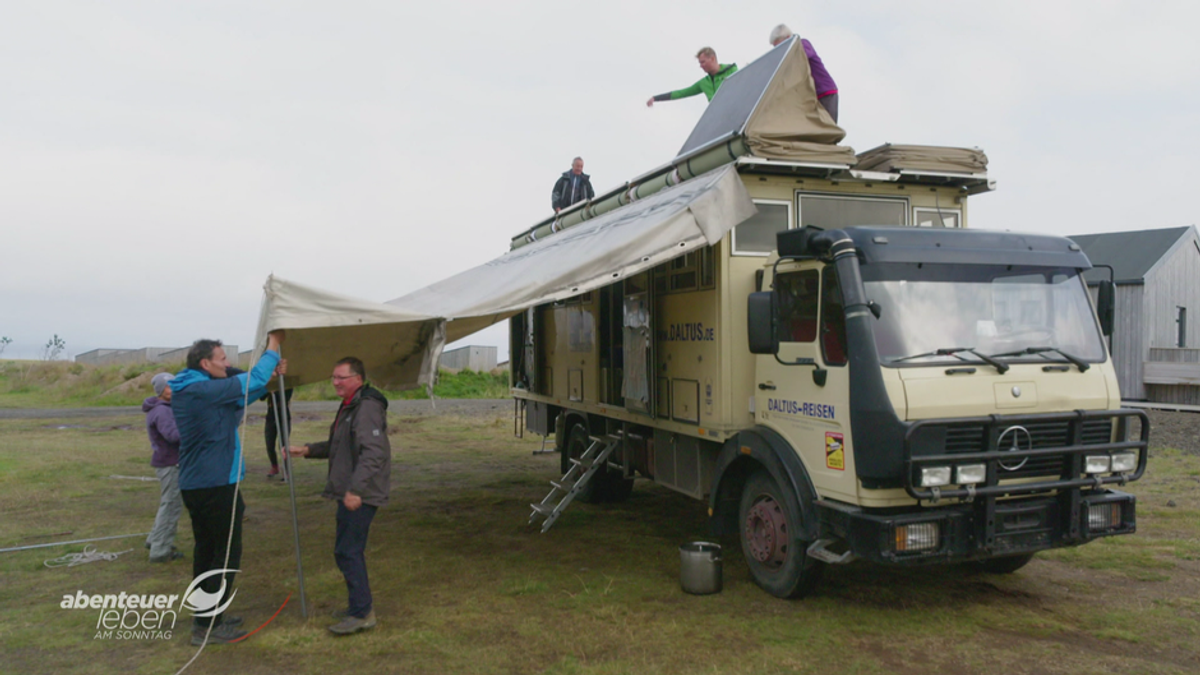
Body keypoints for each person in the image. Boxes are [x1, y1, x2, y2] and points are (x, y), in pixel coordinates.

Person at [170, 333, 285, 646]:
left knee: (207, 552)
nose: (229, 364)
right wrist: (273, 347)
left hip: (205, 483)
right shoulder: (201, 389)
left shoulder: (199, 389)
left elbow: (247, 391)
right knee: (225, 555)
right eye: (223, 359)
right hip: (213, 484)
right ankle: (208, 627)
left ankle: (208, 616)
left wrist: (269, 376)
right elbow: (248, 381)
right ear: (205, 364)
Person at [288, 356, 392, 636]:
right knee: (345, 550)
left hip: (361, 493)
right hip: (351, 490)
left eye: (340, 378)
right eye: (333, 377)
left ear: (357, 379)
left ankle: (362, 613)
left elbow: (374, 453)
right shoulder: (350, 405)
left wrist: (356, 490)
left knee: (348, 551)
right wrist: (308, 450)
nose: (335, 382)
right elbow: (340, 445)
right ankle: (357, 606)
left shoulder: (366, 407)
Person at [144, 373, 185, 563]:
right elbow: (173, 435)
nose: (174, 389)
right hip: (170, 464)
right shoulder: (162, 411)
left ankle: (155, 539)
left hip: (168, 462)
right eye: (169, 386)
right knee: (171, 506)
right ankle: (160, 550)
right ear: (161, 391)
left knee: (167, 504)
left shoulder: (164, 408)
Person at [769, 24, 839, 122]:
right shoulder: (789, 58)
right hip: (811, 97)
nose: (780, 50)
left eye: (781, 46)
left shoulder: (802, 44)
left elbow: (800, 56)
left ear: (788, 38)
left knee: (828, 126)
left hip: (825, 91)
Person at [646, 47, 737, 107]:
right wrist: (655, 98)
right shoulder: (704, 83)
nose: (701, 66)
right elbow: (682, 93)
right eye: (700, 63)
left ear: (712, 59)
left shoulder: (731, 70)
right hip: (718, 116)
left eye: (703, 62)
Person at [262, 387, 293, 479]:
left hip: (283, 415)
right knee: (269, 443)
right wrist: (267, 390)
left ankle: (287, 471)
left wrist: (276, 391)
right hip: (271, 415)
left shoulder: (287, 384)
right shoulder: (270, 384)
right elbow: (262, 397)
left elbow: (285, 397)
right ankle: (274, 466)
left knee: (283, 445)